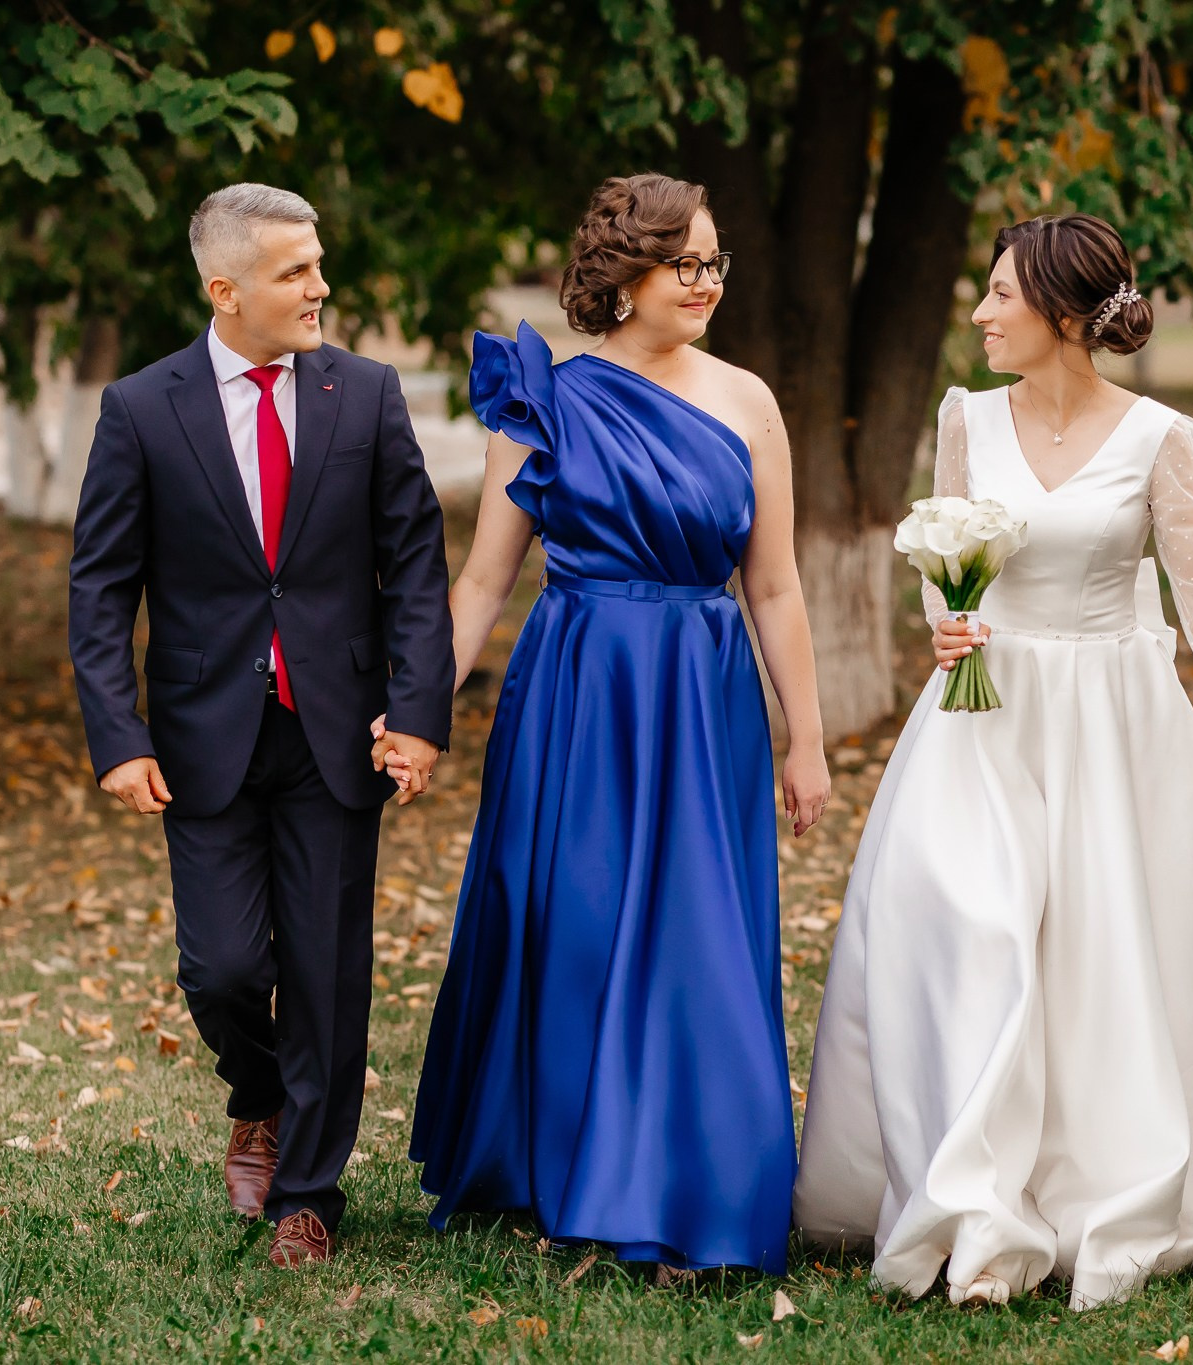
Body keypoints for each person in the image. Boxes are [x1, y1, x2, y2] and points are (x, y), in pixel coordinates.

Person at [793, 213, 1193, 1311]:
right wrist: (943, 623)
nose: (981, 313)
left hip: (1111, 729)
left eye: (998, 295)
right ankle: (972, 1202)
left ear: (1056, 311)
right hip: (977, 720)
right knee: (970, 931)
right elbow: (949, 566)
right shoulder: (964, 419)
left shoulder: (1159, 439)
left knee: (1100, 958)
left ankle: (1096, 1184)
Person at [406, 173, 831, 1276]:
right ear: (622, 274)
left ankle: (694, 1180)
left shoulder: (746, 402)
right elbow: (483, 582)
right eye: (683, 264)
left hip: (699, 690)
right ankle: (560, 1168)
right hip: (575, 686)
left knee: (695, 935)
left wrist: (808, 739)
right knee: (576, 924)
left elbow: (774, 588)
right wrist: (420, 716)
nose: (705, 284)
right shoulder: (543, 397)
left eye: (713, 263)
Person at [68, 183, 454, 1268]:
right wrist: (120, 734)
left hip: (338, 731)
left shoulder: (365, 394)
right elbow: (101, 586)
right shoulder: (144, 408)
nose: (319, 287)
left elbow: (415, 568)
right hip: (201, 737)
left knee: (330, 972)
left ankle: (309, 1195)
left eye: (319, 264)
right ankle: (260, 1090)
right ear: (224, 288)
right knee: (224, 969)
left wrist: (418, 712)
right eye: (294, 272)